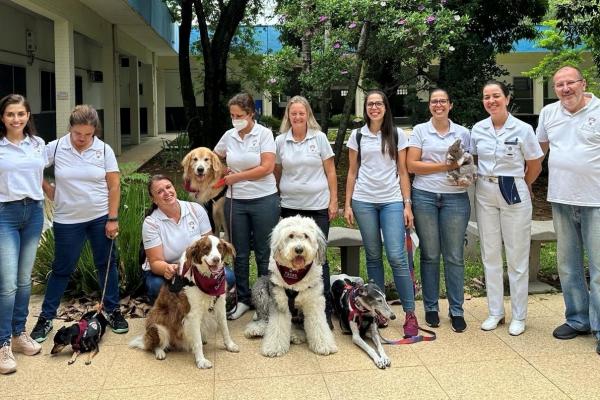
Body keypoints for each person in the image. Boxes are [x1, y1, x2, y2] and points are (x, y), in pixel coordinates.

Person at [30, 105, 128, 343]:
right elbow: (30, 166)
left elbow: (114, 185)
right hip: (67, 220)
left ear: (95, 131)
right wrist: (49, 190)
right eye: (77, 134)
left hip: (99, 217)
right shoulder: (56, 147)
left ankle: (113, 311)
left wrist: (112, 218)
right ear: (70, 129)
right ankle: (46, 318)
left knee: (106, 265)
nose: (82, 139)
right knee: (62, 269)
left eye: (88, 134)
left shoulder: (103, 150)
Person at [470, 81, 543, 336]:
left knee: (517, 256)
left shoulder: (522, 129)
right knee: (490, 254)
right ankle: (495, 312)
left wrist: (523, 184)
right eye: (486, 97)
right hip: (485, 191)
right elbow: (471, 159)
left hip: (513, 190)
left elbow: (535, 164)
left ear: (507, 99)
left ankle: (519, 315)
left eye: (496, 96)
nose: (491, 101)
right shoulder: (478, 129)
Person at [344, 89, 419, 336]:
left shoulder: (397, 134)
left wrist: (407, 204)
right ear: (365, 108)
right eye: (370, 104)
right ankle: (379, 312)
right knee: (373, 256)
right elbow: (352, 172)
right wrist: (347, 205)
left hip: (391, 201)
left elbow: (403, 171)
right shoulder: (357, 135)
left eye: (378, 104)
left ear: (386, 107)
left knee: (397, 256)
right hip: (363, 201)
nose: (374, 107)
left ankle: (410, 313)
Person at [537, 65, 600, 354]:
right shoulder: (549, 113)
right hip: (561, 199)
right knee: (568, 264)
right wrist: (523, 182)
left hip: (595, 201)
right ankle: (577, 319)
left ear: (582, 83)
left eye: (570, 83)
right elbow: (539, 152)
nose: (565, 89)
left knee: (599, 268)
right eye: (559, 84)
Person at [406, 88, 471, 333]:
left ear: (451, 105)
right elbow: (412, 165)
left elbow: (467, 163)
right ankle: (431, 308)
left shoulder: (464, 133)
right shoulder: (421, 131)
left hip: (455, 198)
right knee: (430, 255)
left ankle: (457, 310)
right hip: (425, 197)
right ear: (429, 105)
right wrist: (446, 166)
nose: (438, 105)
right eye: (434, 101)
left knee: (454, 256)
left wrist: (458, 169)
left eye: (443, 101)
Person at [214, 93, 280, 320]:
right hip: (236, 201)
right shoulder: (229, 136)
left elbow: (267, 167)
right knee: (239, 252)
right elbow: (213, 158)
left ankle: (264, 301)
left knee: (264, 253)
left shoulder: (264, 134)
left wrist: (237, 177)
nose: (235, 119)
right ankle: (243, 299)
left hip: (264, 199)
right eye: (232, 115)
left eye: (239, 115)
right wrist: (223, 171)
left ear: (251, 114)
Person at [274, 95, 338, 328]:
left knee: (319, 256)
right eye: (294, 114)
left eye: (302, 113)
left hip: (318, 206)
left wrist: (334, 201)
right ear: (288, 117)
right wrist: (277, 197)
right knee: (290, 258)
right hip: (290, 206)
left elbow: (331, 171)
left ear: (308, 115)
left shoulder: (319, 138)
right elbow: (277, 172)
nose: (298, 117)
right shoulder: (280, 141)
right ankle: (292, 308)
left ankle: (325, 310)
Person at [0, 94, 45, 374]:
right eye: (10, 114)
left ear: (28, 115)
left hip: (34, 213)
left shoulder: (37, 144)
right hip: (5, 213)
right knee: (7, 283)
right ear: (2, 118)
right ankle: (2, 343)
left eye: (21, 114)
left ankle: (19, 334)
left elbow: (41, 178)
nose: (16, 119)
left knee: (24, 280)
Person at [141, 174, 228, 304]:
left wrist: (199, 267)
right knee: (157, 287)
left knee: (229, 277)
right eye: (160, 192)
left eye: (168, 187)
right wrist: (168, 268)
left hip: (196, 265)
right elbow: (155, 262)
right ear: (154, 199)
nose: (166, 192)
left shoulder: (195, 209)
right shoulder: (151, 223)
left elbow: (209, 245)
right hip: (169, 269)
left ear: (174, 188)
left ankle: (199, 299)